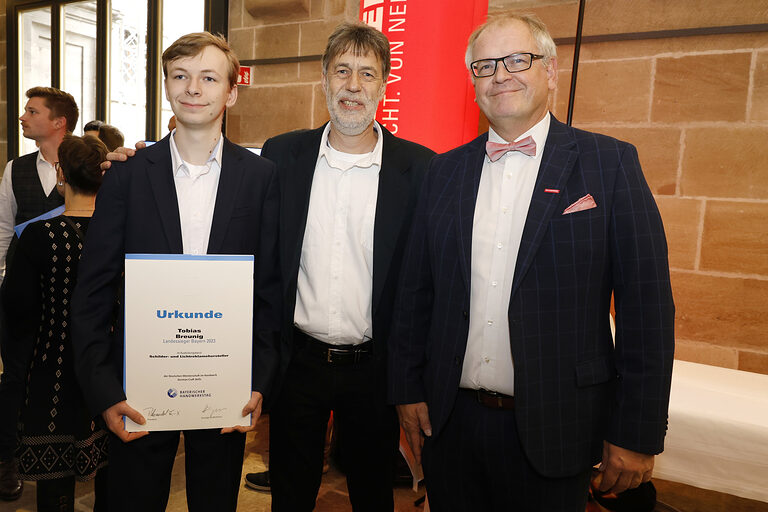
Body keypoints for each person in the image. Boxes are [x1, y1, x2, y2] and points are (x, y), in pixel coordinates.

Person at [388, 13, 675, 512]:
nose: (500, 75)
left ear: (551, 70)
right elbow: (416, 291)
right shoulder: (443, 171)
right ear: (472, 81)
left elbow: (646, 308)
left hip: (556, 427)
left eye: (517, 59)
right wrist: (407, 390)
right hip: (451, 425)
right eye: (484, 66)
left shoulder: (610, 165)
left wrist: (636, 431)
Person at [70, 32, 281, 512]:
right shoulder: (125, 174)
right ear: (166, 85)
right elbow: (91, 295)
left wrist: (257, 382)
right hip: (137, 391)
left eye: (209, 77)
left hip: (223, 390)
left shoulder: (260, 177)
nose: (193, 88)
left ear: (230, 91)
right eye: (180, 76)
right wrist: (104, 392)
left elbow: (268, 291)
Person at [255, 21, 434, 511]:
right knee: (290, 491)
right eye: (342, 72)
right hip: (298, 363)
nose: (353, 86)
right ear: (323, 79)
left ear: (383, 84)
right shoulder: (282, 155)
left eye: (367, 74)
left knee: (372, 492)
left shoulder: (420, 169)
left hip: (375, 370)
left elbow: (428, 280)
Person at [2, 135, 109, 511]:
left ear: (62, 175)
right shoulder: (118, 233)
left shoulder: (38, 235)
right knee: (113, 472)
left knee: (55, 483)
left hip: (53, 368)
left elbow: (16, 309)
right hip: (112, 370)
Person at [0, 86, 78, 501]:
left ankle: (69, 452)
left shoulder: (87, 162)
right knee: (14, 376)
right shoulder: (17, 168)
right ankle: (7, 458)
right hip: (23, 294)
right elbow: (1, 228)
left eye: (32, 111)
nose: (23, 117)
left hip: (70, 293)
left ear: (58, 121)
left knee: (63, 375)